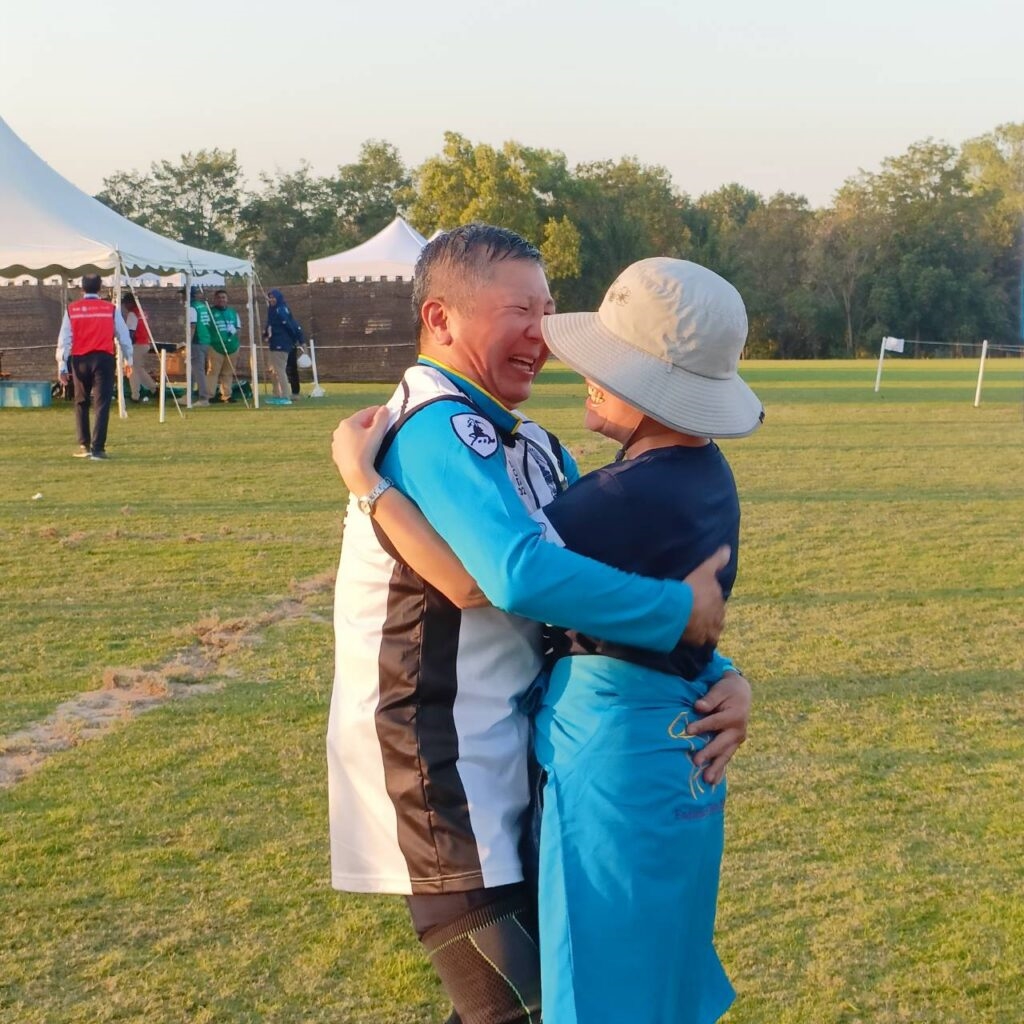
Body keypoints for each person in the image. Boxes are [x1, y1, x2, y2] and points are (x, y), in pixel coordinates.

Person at [327, 225, 750, 1024]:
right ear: (440, 318)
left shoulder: (537, 447)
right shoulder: (429, 428)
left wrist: (720, 671)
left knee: (533, 998)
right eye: (521, 311)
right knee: (520, 1008)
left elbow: (592, 587)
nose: (544, 335)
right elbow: (495, 579)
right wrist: (367, 485)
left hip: (515, 763)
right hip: (441, 769)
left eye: (549, 311)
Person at [56, 274, 133, 460]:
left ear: (82, 289)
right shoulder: (110, 309)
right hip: (103, 359)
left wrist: (62, 365)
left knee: (81, 401)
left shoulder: (72, 309)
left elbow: (64, 339)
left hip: (80, 359)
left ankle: (84, 445)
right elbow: (123, 335)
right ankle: (98, 448)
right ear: (100, 288)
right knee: (102, 403)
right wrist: (128, 359)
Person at [264, 288, 304, 404]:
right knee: (273, 370)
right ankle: (276, 394)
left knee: (279, 370)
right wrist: (266, 334)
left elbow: (291, 325)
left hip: (281, 345)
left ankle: (285, 396)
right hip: (274, 343)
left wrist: (296, 340)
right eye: (270, 297)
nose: (271, 299)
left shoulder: (281, 309)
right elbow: (270, 325)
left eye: (273, 297)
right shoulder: (272, 310)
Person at [121, 294, 159, 403]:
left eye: (126, 303)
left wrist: (126, 345)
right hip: (145, 343)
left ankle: (135, 396)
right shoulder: (142, 312)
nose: (125, 306)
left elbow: (131, 332)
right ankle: (154, 389)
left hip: (137, 344)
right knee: (139, 369)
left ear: (130, 303)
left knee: (132, 369)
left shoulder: (132, 314)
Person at [206, 289, 242, 403]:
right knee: (213, 372)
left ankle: (226, 395)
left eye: (223, 297)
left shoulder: (233, 312)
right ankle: (209, 395)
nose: (221, 299)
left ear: (227, 299)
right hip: (215, 347)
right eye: (219, 297)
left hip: (232, 347)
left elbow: (238, 329)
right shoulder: (209, 312)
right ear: (215, 299)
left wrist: (237, 343)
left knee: (228, 372)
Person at [188, 286, 214, 405]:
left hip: (197, 341)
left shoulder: (192, 307)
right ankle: (189, 395)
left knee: (198, 371)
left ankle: (203, 398)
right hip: (205, 339)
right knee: (194, 369)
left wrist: (188, 343)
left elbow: (192, 326)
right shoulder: (202, 306)